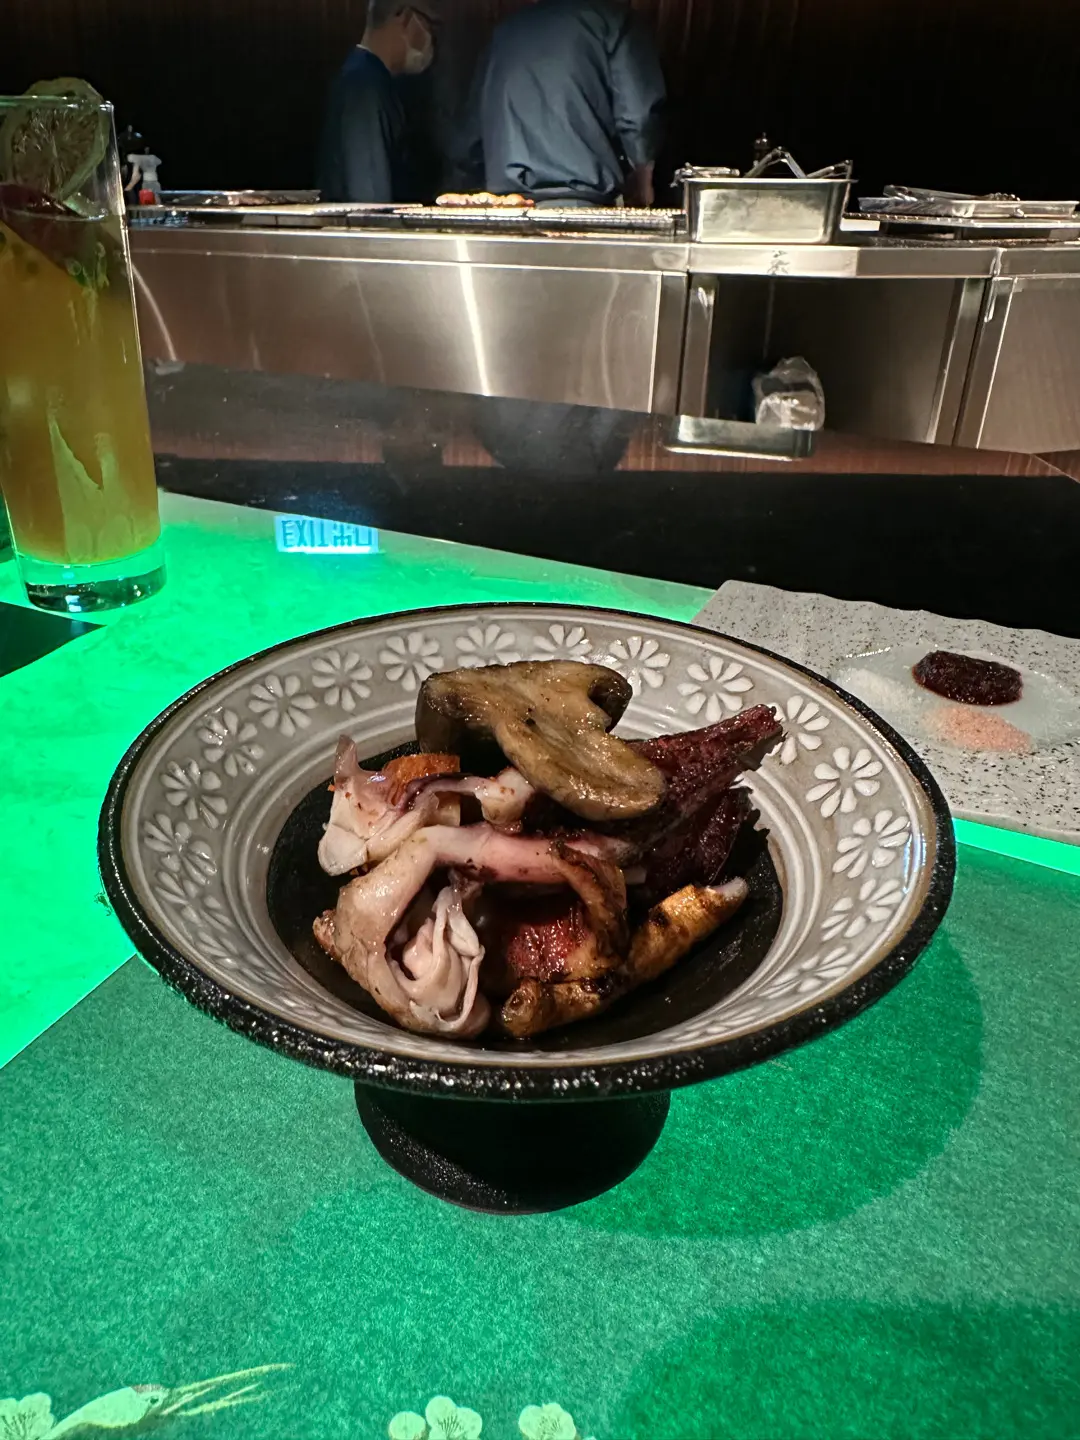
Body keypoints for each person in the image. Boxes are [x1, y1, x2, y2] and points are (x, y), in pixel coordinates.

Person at [469, 0, 665, 208]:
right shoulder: (616, 21)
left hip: (506, 206)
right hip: (580, 203)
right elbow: (639, 117)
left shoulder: (503, 33)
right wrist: (643, 180)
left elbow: (469, 137)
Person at [318, 1, 437, 203]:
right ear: (406, 18)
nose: (432, 38)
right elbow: (369, 200)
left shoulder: (371, 79)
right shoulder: (364, 86)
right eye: (429, 25)